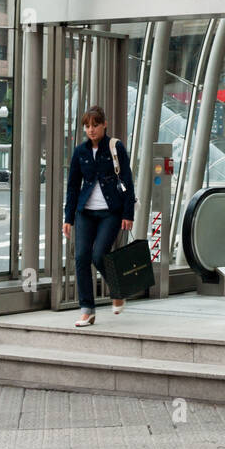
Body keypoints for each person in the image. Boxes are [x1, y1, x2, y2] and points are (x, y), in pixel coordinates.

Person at [63, 106, 136, 325]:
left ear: (104, 124)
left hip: (111, 212)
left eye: (95, 125)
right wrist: (68, 217)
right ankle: (87, 309)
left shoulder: (115, 147)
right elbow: (73, 186)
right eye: (87, 126)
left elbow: (127, 180)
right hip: (85, 211)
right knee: (81, 257)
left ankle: (117, 289)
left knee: (99, 255)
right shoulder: (80, 152)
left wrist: (128, 213)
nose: (91, 130)